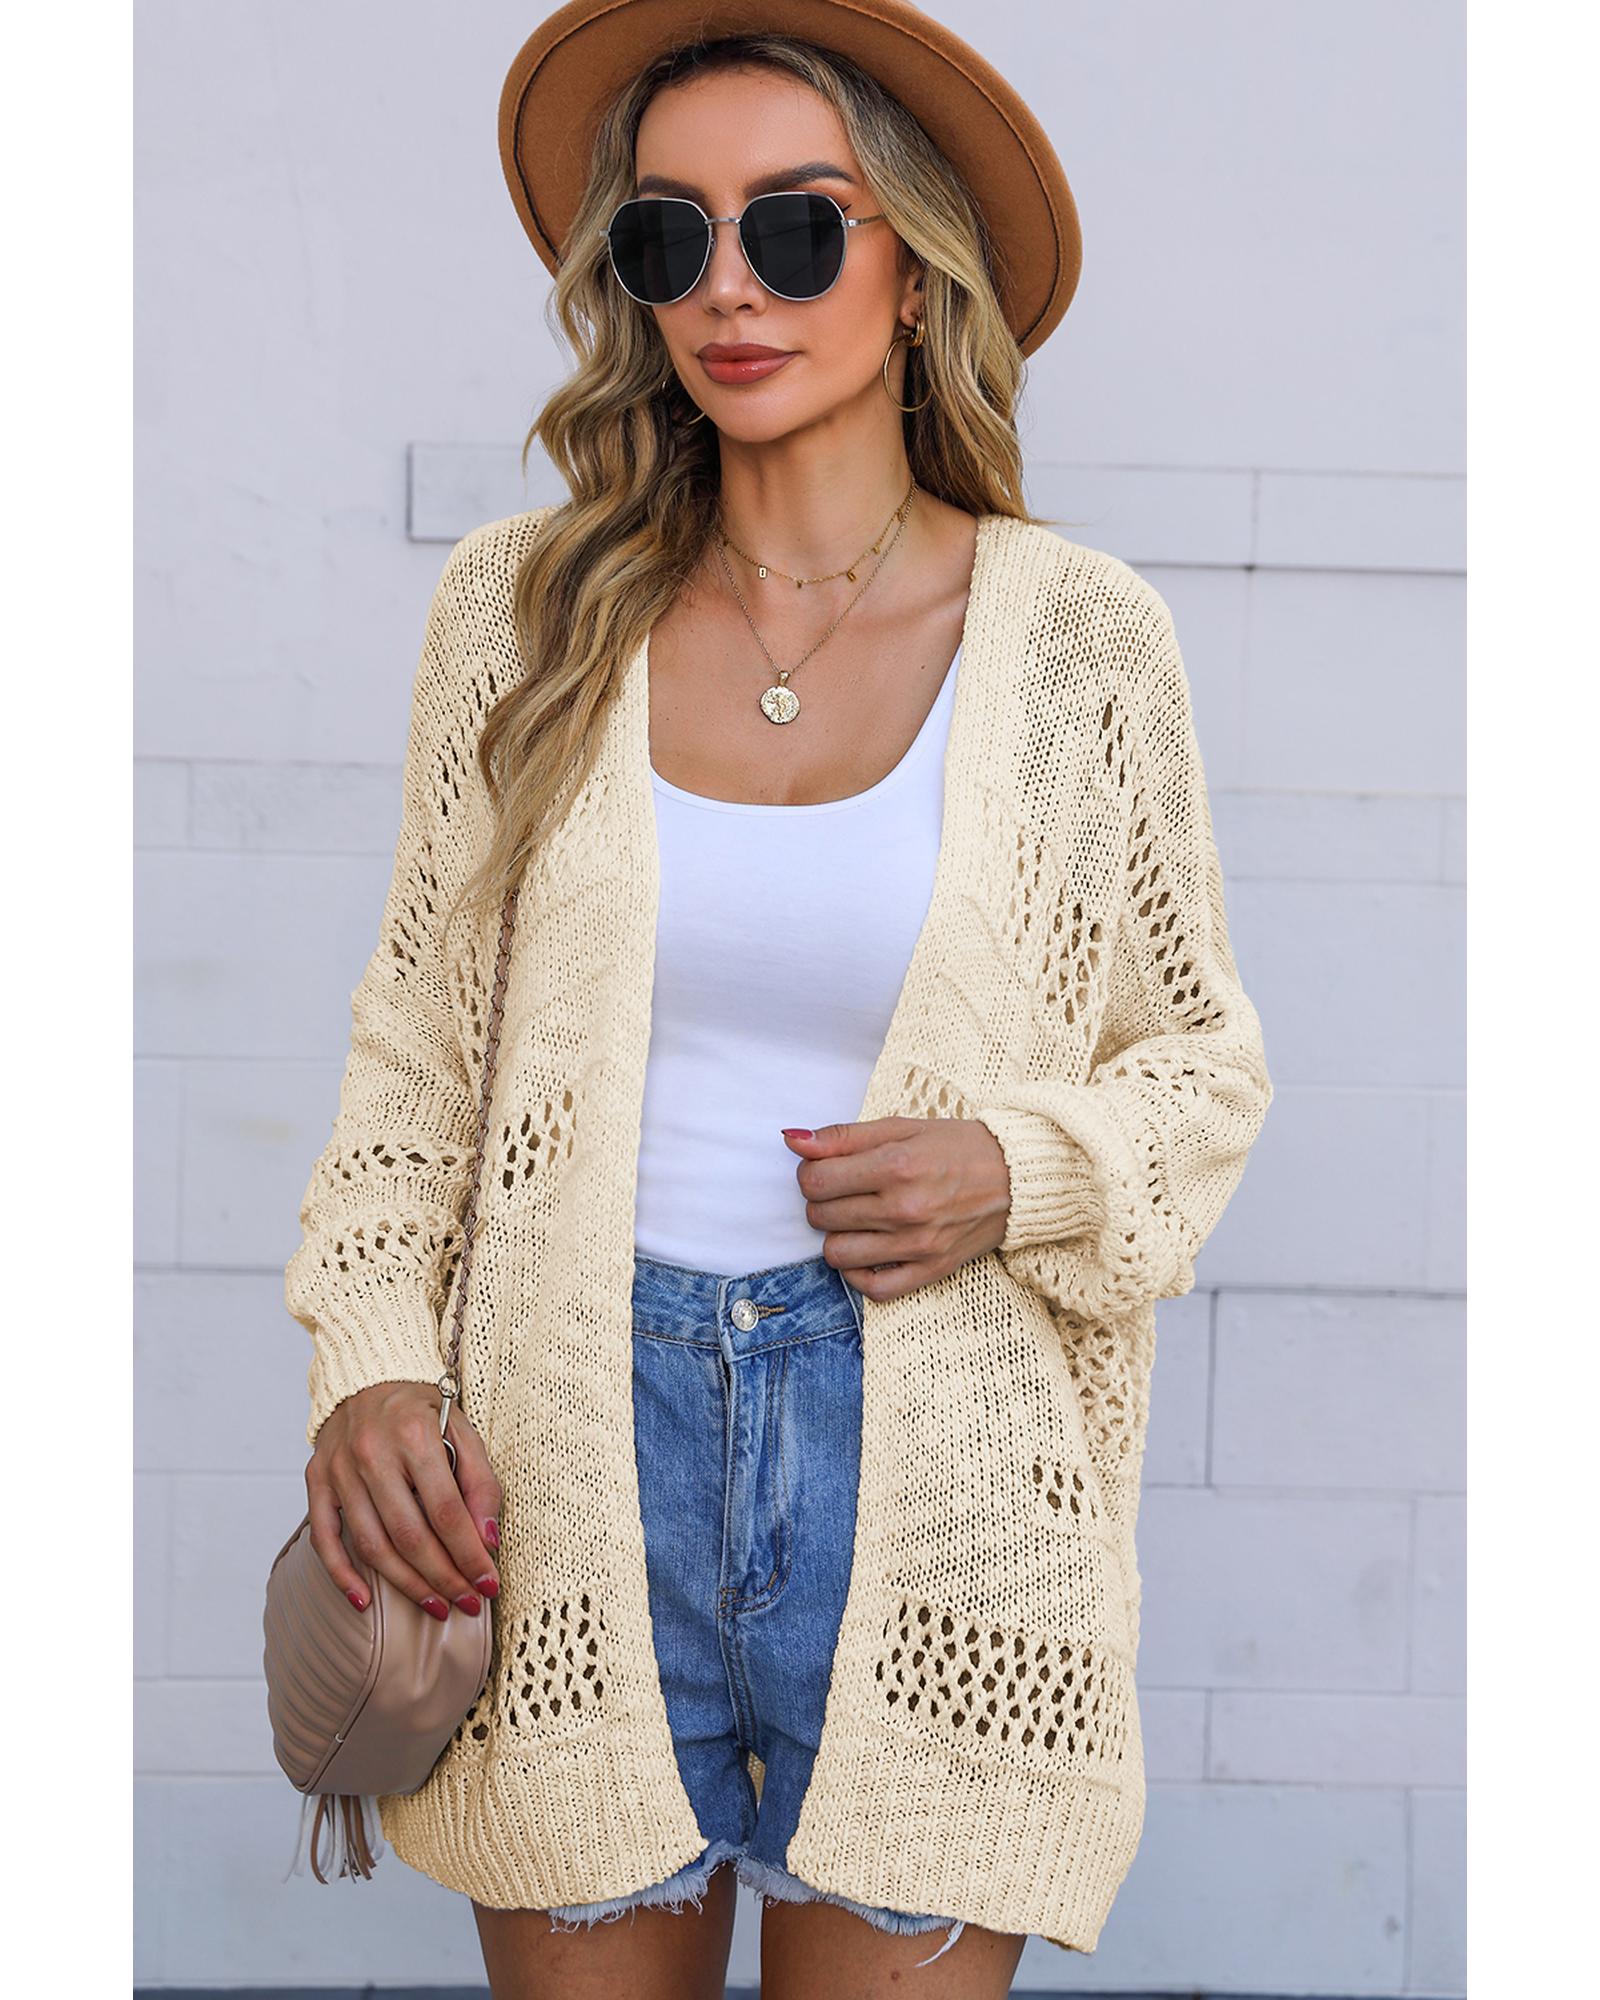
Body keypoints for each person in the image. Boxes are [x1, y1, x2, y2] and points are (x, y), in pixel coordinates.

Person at [284, 5, 1273, 1997]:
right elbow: (414, 1062)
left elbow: (1197, 1067)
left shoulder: (1080, 644)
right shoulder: (524, 612)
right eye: (670, 238)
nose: (729, 288)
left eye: (797, 228)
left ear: (913, 271)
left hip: (939, 1496)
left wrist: (1015, 1165)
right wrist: (372, 1360)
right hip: (562, 1486)